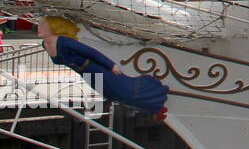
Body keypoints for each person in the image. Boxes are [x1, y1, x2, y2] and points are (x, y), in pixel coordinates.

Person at [38, 17, 169, 118]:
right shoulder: (45, 44)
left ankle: (156, 99)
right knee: (111, 95)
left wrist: (111, 65)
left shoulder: (64, 42)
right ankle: (154, 108)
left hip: (95, 68)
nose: (38, 27)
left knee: (121, 92)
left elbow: (91, 52)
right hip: (85, 74)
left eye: (42, 24)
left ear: (53, 27)